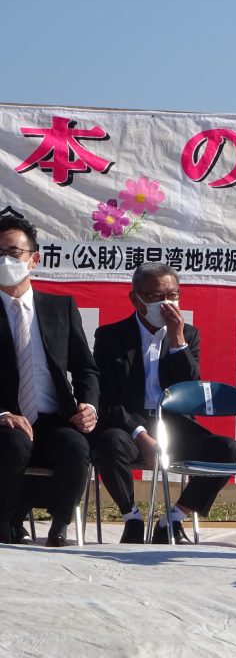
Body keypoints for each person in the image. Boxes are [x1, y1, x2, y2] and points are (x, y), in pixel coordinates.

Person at [92, 263, 236, 544]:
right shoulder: (111, 336)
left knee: (227, 449)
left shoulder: (188, 334)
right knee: (109, 442)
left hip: (171, 423)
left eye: (173, 295)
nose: (166, 303)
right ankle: (131, 518)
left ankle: (172, 519)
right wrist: (140, 435)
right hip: (127, 423)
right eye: (155, 297)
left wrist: (177, 340)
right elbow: (106, 397)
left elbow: (189, 391)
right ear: (135, 299)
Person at [0, 215, 99, 547]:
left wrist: (89, 405)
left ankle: (59, 526)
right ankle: (7, 522)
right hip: (6, 420)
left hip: (54, 417)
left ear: (34, 258)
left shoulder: (60, 307)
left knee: (75, 446)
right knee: (14, 444)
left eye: (13, 253)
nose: (4, 261)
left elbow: (86, 368)